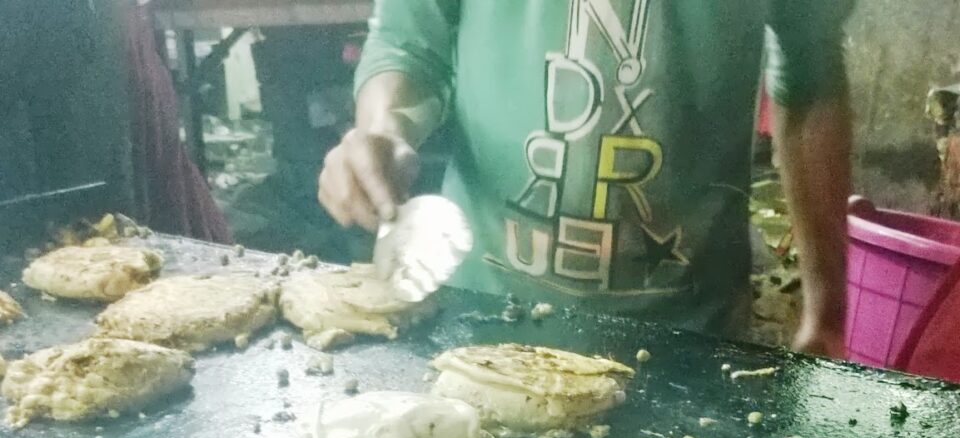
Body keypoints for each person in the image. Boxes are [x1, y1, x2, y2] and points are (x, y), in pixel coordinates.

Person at [319, 1, 854, 356]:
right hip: (476, 322)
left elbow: (810, 78)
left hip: (690, 343)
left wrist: (826, 314)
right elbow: (411, 43)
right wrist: (386, 129)